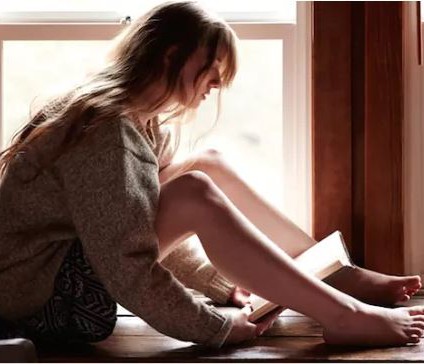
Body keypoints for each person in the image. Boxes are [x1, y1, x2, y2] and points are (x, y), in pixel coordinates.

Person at [0, 0, 423, 352]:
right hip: (44, 302)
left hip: (69, 274)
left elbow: (138, 221)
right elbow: (129, 263)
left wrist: (222, 287)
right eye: (212, 70)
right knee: (194, 189)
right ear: (171, 57)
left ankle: (335, 276)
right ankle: (342, 314)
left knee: (208, 163)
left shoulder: (138, 121)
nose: (217, 85)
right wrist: (217, 326)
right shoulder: (106, 131)